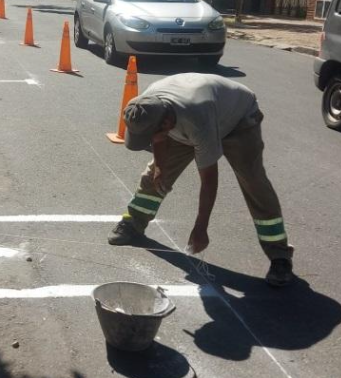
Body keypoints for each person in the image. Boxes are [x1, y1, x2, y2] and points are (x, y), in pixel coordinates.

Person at [110, 73, 294, 287]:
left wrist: (201, 227)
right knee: (154, 175)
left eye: (152, 134)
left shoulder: (198, 121)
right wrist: (160, 166)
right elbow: (158, 137)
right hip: (191, 116)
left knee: (254, 183)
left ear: (167, 123)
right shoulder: (148, 104)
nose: (151, 139)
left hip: (237, 120)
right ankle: (133, 223)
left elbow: (209, 179)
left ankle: (280, 255)